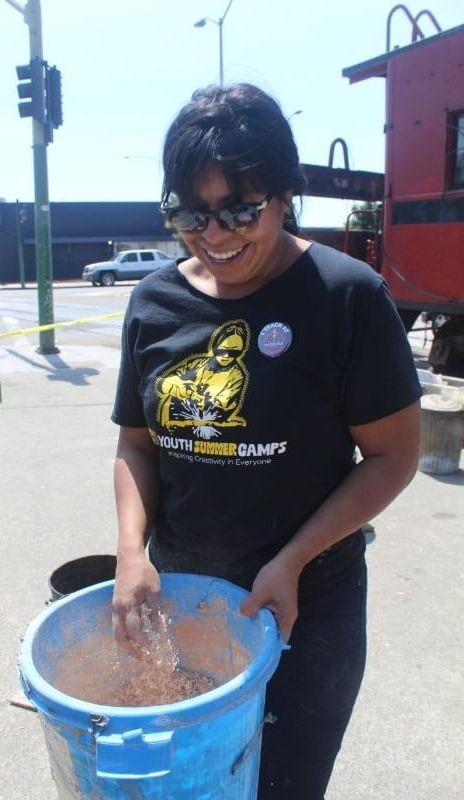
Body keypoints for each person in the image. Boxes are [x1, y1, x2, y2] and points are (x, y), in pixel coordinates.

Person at [110, 83, 421, 799]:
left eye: (238, 211)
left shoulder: (347, 297)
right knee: (188, 783)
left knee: (282, 786)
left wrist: (291, 559)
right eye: (189, 213)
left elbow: (392, 456)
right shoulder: (152, 303)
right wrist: (132, 554)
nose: (213, 235)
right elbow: (137, 446)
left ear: (285, 195)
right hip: (182, 601)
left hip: (306, 605)